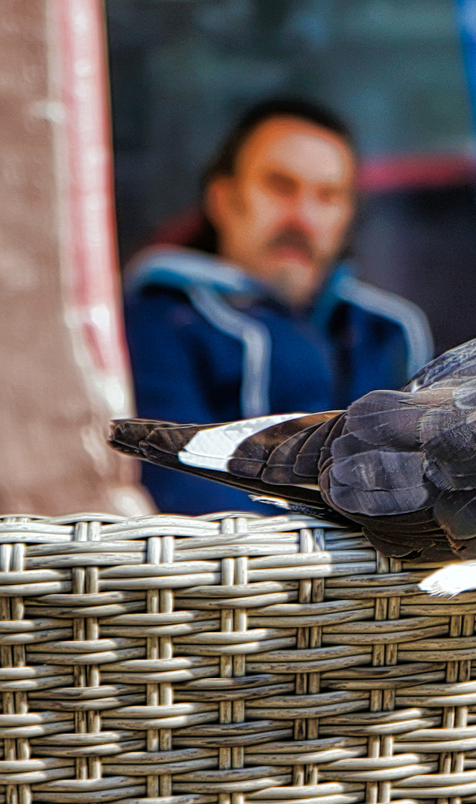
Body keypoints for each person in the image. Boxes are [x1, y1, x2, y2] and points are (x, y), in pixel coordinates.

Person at [124, 97, 433, 514]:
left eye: (327, 196)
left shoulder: (387, 333)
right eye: (280, 187)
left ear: (347, 217)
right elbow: (178, 486)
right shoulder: (161, 318)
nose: (302, 218)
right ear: (224, 198)